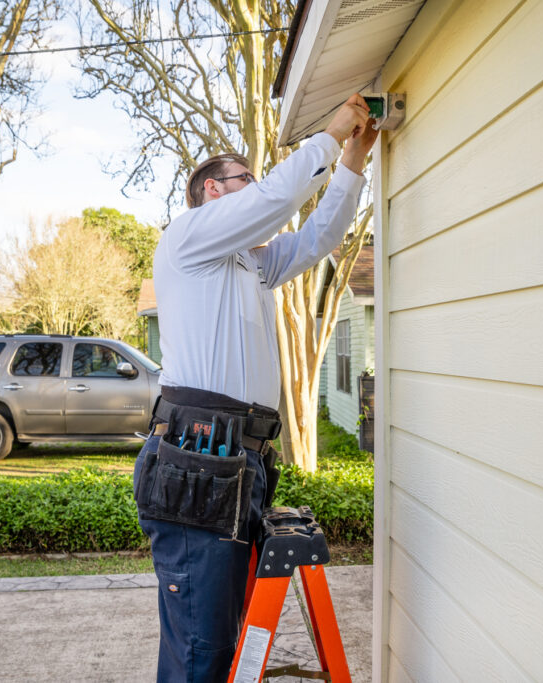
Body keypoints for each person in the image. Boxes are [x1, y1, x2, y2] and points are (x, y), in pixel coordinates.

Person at [132, 93, 378, 682]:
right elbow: (273, 200)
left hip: (240, 461)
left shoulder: (245, 264)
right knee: (202, 645)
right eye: (243, 176)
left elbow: (316, 239)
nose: (256, 182)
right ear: (213, 191)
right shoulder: (189, 236)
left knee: (226, 636)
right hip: (198, 457)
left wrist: (351, 165)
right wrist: (326, 136)